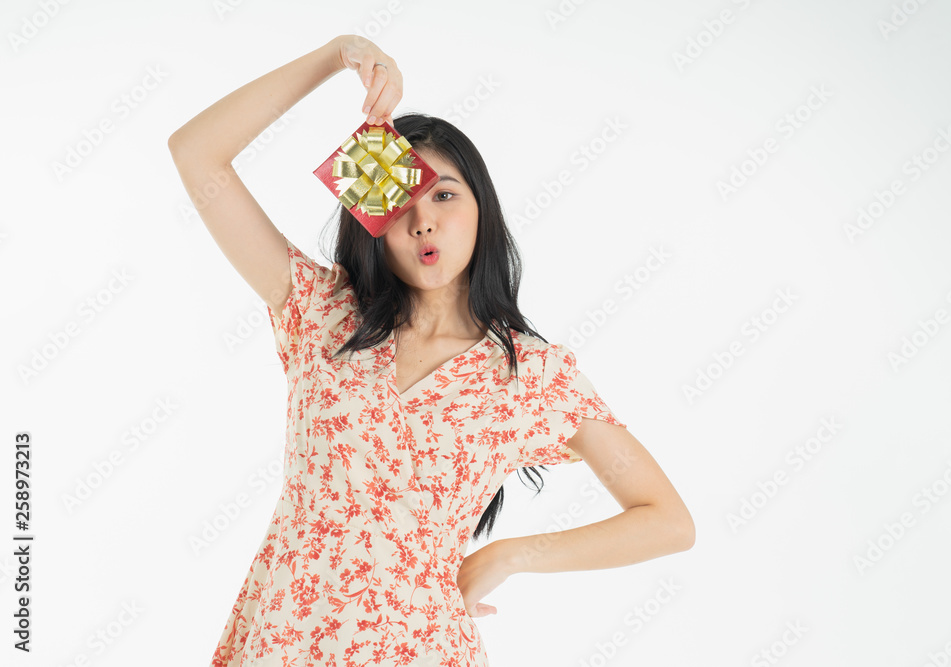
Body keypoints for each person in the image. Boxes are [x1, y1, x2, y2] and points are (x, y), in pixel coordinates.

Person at [168, 34, 695, 667]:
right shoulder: (321, 313)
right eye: (398, 204)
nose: (423, 221)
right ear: (372, 224)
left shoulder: (529, 373)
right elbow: (196, 153)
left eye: (444, 194)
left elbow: (666, 521)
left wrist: (508, 556)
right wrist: (337, 56)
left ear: (481, 209)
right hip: (283, 641)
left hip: (421, 647)